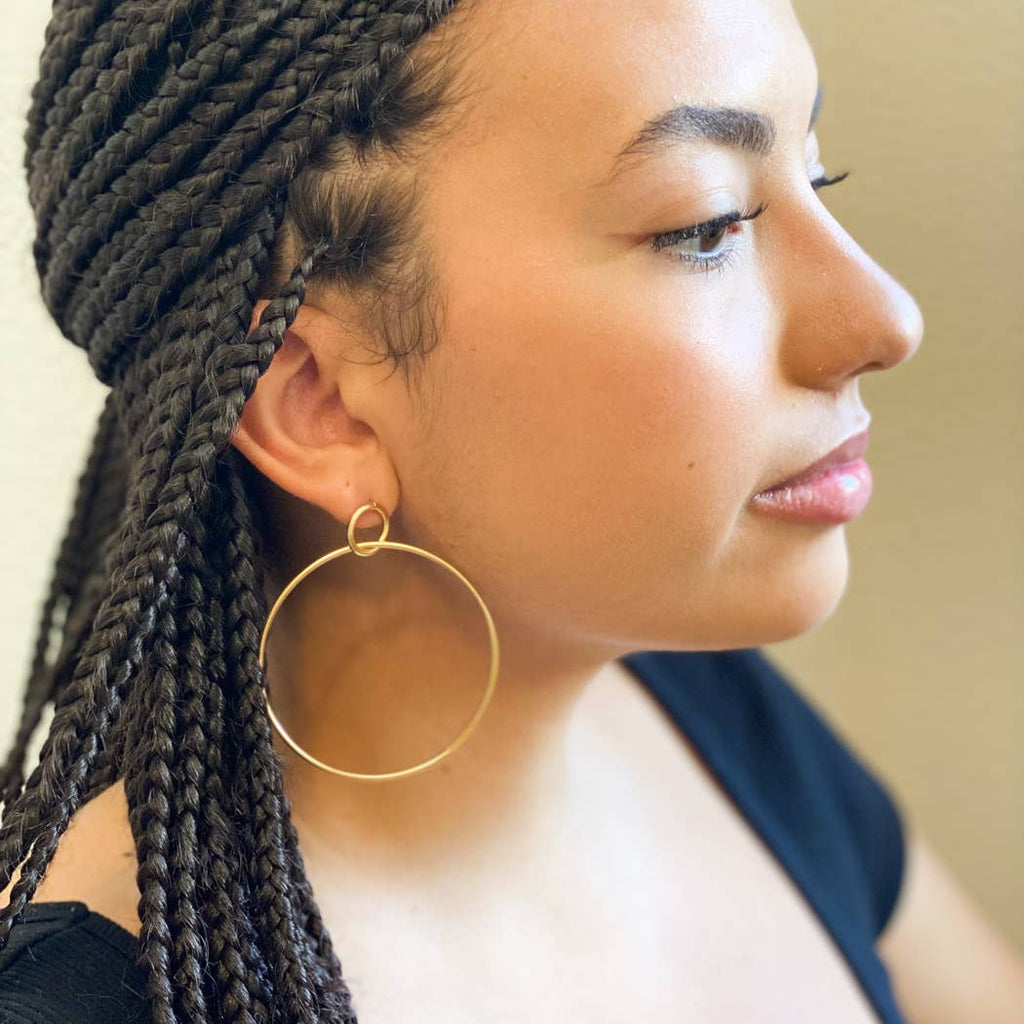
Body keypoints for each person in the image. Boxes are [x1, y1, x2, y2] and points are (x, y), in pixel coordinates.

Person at [1, 1, 1022, 1022]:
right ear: (319, 404)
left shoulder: (709, 708)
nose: (885, 318)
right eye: (705, 226)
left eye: (816, 174)